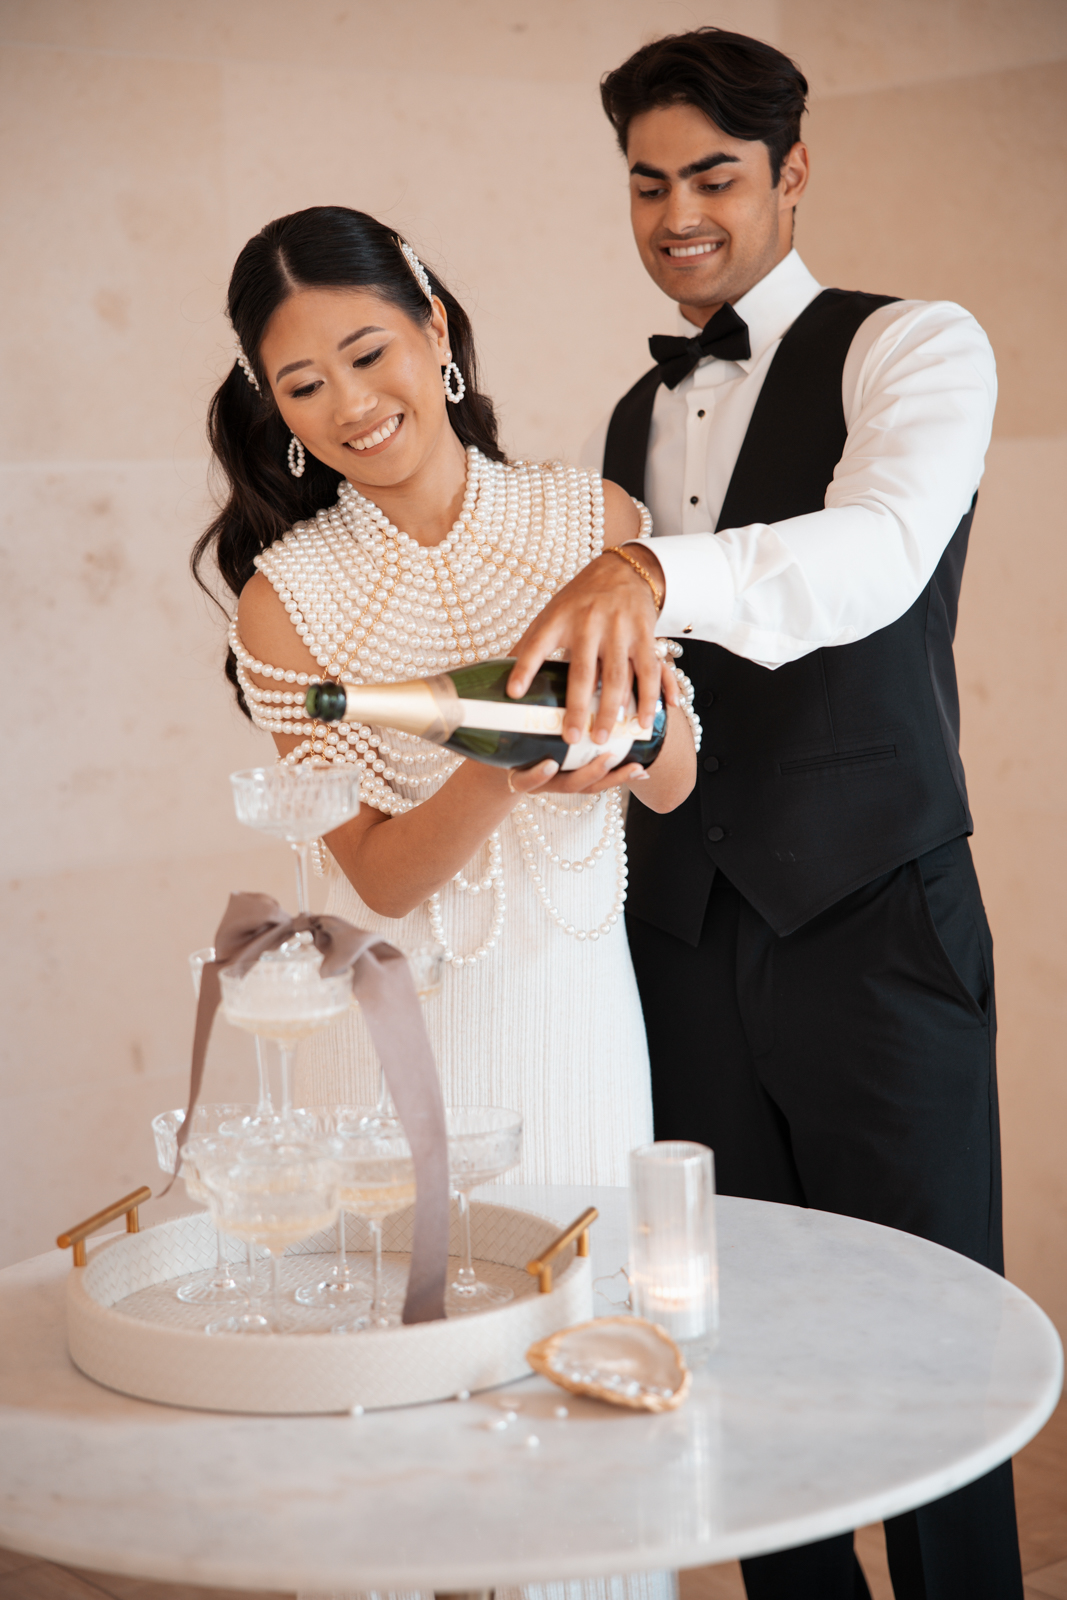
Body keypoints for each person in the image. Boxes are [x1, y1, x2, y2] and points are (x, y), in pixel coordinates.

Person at [505, 27, 1016, 1600]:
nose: (676, 216)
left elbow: (873, 555)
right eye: (646, 183)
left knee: (932, 1352)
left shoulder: (910, 347)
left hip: (874, 922)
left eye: (713, 177)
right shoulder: (621, 423)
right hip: (674, 932)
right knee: (732, 1349)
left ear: (791, 173)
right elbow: (646, 688)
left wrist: (647, 568)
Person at [193, 204, 697, 1197]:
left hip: (580, 1026)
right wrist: (502, 764)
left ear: (431, 327)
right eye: (304, 385)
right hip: (390, 1045)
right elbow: (379, 879)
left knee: (588, 1278)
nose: (350, 404)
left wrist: (622, 736)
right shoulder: (282, 601)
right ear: (277, 409)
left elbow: (673, 776)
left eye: (367, 353)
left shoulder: (593, 522)